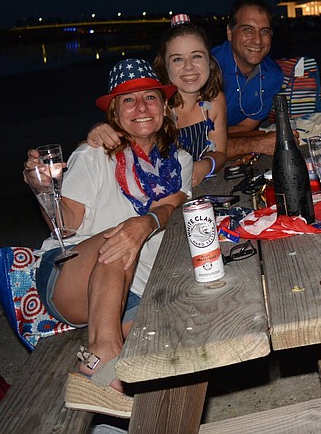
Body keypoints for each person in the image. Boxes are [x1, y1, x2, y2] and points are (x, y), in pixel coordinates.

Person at [26, 58, 193, 418]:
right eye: (128, 101)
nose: (142, 107)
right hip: (71, 276)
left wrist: (147, 221)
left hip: (132, 293)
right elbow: (66, 227)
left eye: (150, 97)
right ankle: (98, 355)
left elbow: (173, 204)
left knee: (163, 360)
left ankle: (105, 402)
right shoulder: (93, 154)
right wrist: (45, 191)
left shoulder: (179, 161)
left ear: (164, 107)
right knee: (122, 236)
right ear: (114, 113)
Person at [87, 15, 227, 186]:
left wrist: (205, 166)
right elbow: (117, 133)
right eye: (177, 59)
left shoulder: (215, 100)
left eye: (196, 56)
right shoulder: (153, 106)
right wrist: (98, 130)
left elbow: (220, 152)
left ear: (210, 61)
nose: (188, 66)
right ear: (164, 66)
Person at [211, 0, 284, 159]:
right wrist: (256, 143)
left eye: (264, 31)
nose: (257, 40)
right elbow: (195, 141)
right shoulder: (206, 70)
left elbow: (246, 126)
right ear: (230, 33)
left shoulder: (273, 75)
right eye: (248, 30)